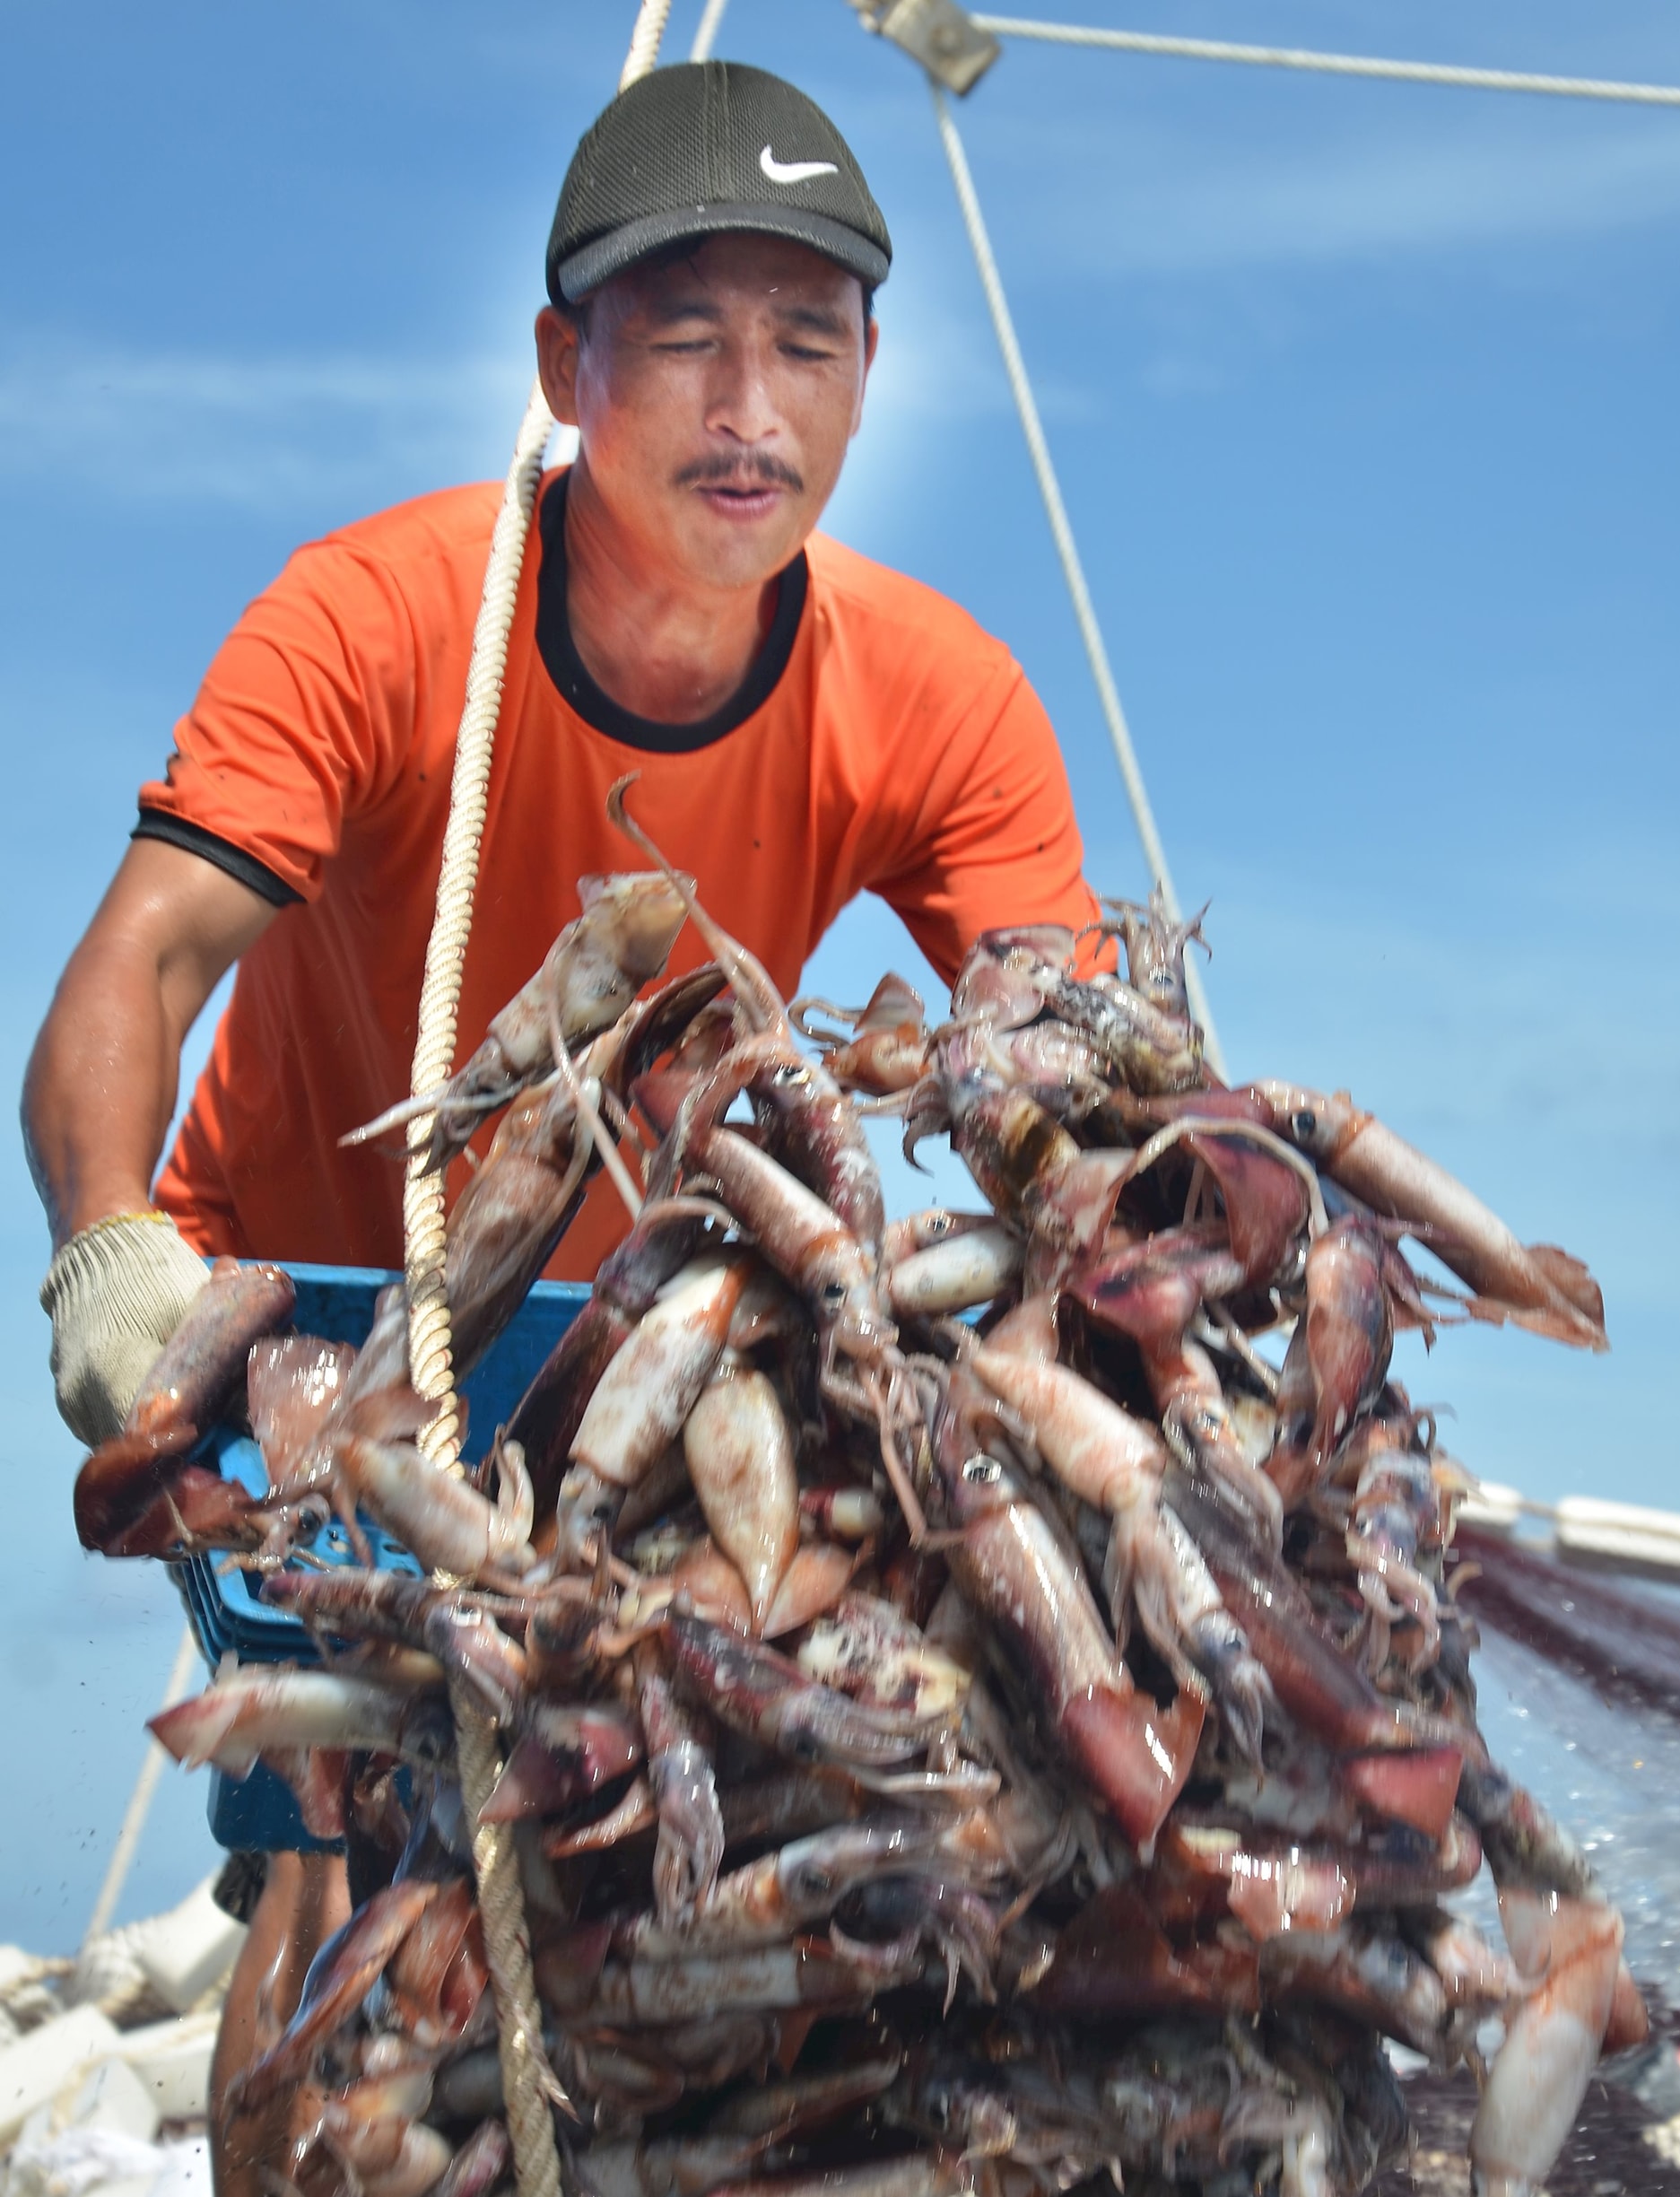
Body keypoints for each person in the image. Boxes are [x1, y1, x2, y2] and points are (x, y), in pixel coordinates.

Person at [23, 59, 1101, 2194]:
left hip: (644, 1330)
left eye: (807, 342)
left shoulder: (939, 694)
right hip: (320, 1315)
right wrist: (112, 1255)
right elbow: (137, 964)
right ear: (558, 366)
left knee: (699, 1833)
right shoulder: (377, 616)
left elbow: (1060, 1075)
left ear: (870, 374)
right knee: (340, 1831)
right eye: (685, 335)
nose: (751, 406)